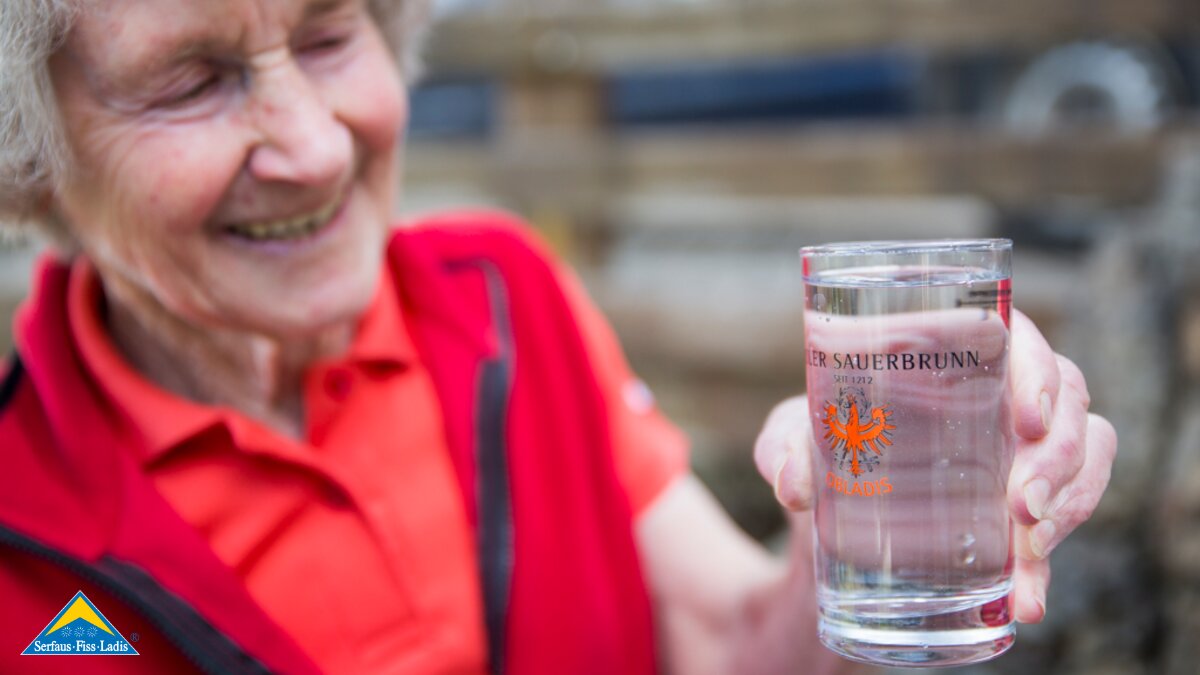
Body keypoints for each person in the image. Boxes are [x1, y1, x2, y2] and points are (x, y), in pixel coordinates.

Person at [0, 1, 1116, 673]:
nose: (319, 148)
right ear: (30, 158)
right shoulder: (21, 523)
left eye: (332, 33)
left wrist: (870, 499)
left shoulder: (502, 297)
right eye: (192, 82)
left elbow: (733, 643)